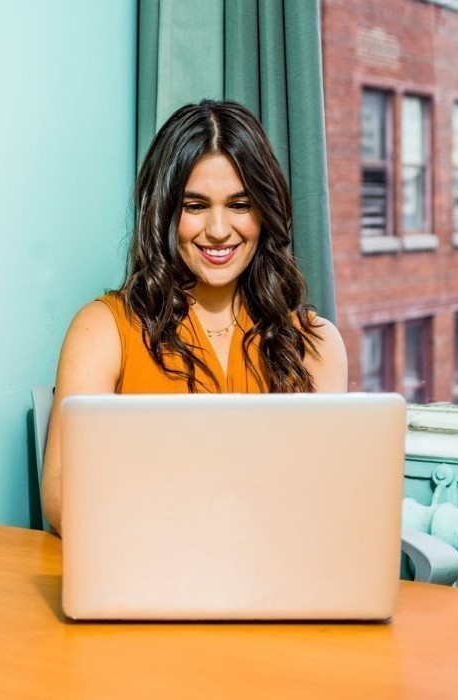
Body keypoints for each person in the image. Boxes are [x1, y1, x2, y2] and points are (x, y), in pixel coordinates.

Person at [41, 99, 348, 534]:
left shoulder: (316, 343)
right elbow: (62, 501)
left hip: (277, 582)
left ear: (265, 211)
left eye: (240, 205)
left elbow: (326, 502)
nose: (219, 230)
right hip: (145, 570)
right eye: (195, 205)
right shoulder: (102, 330)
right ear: (165, 212)